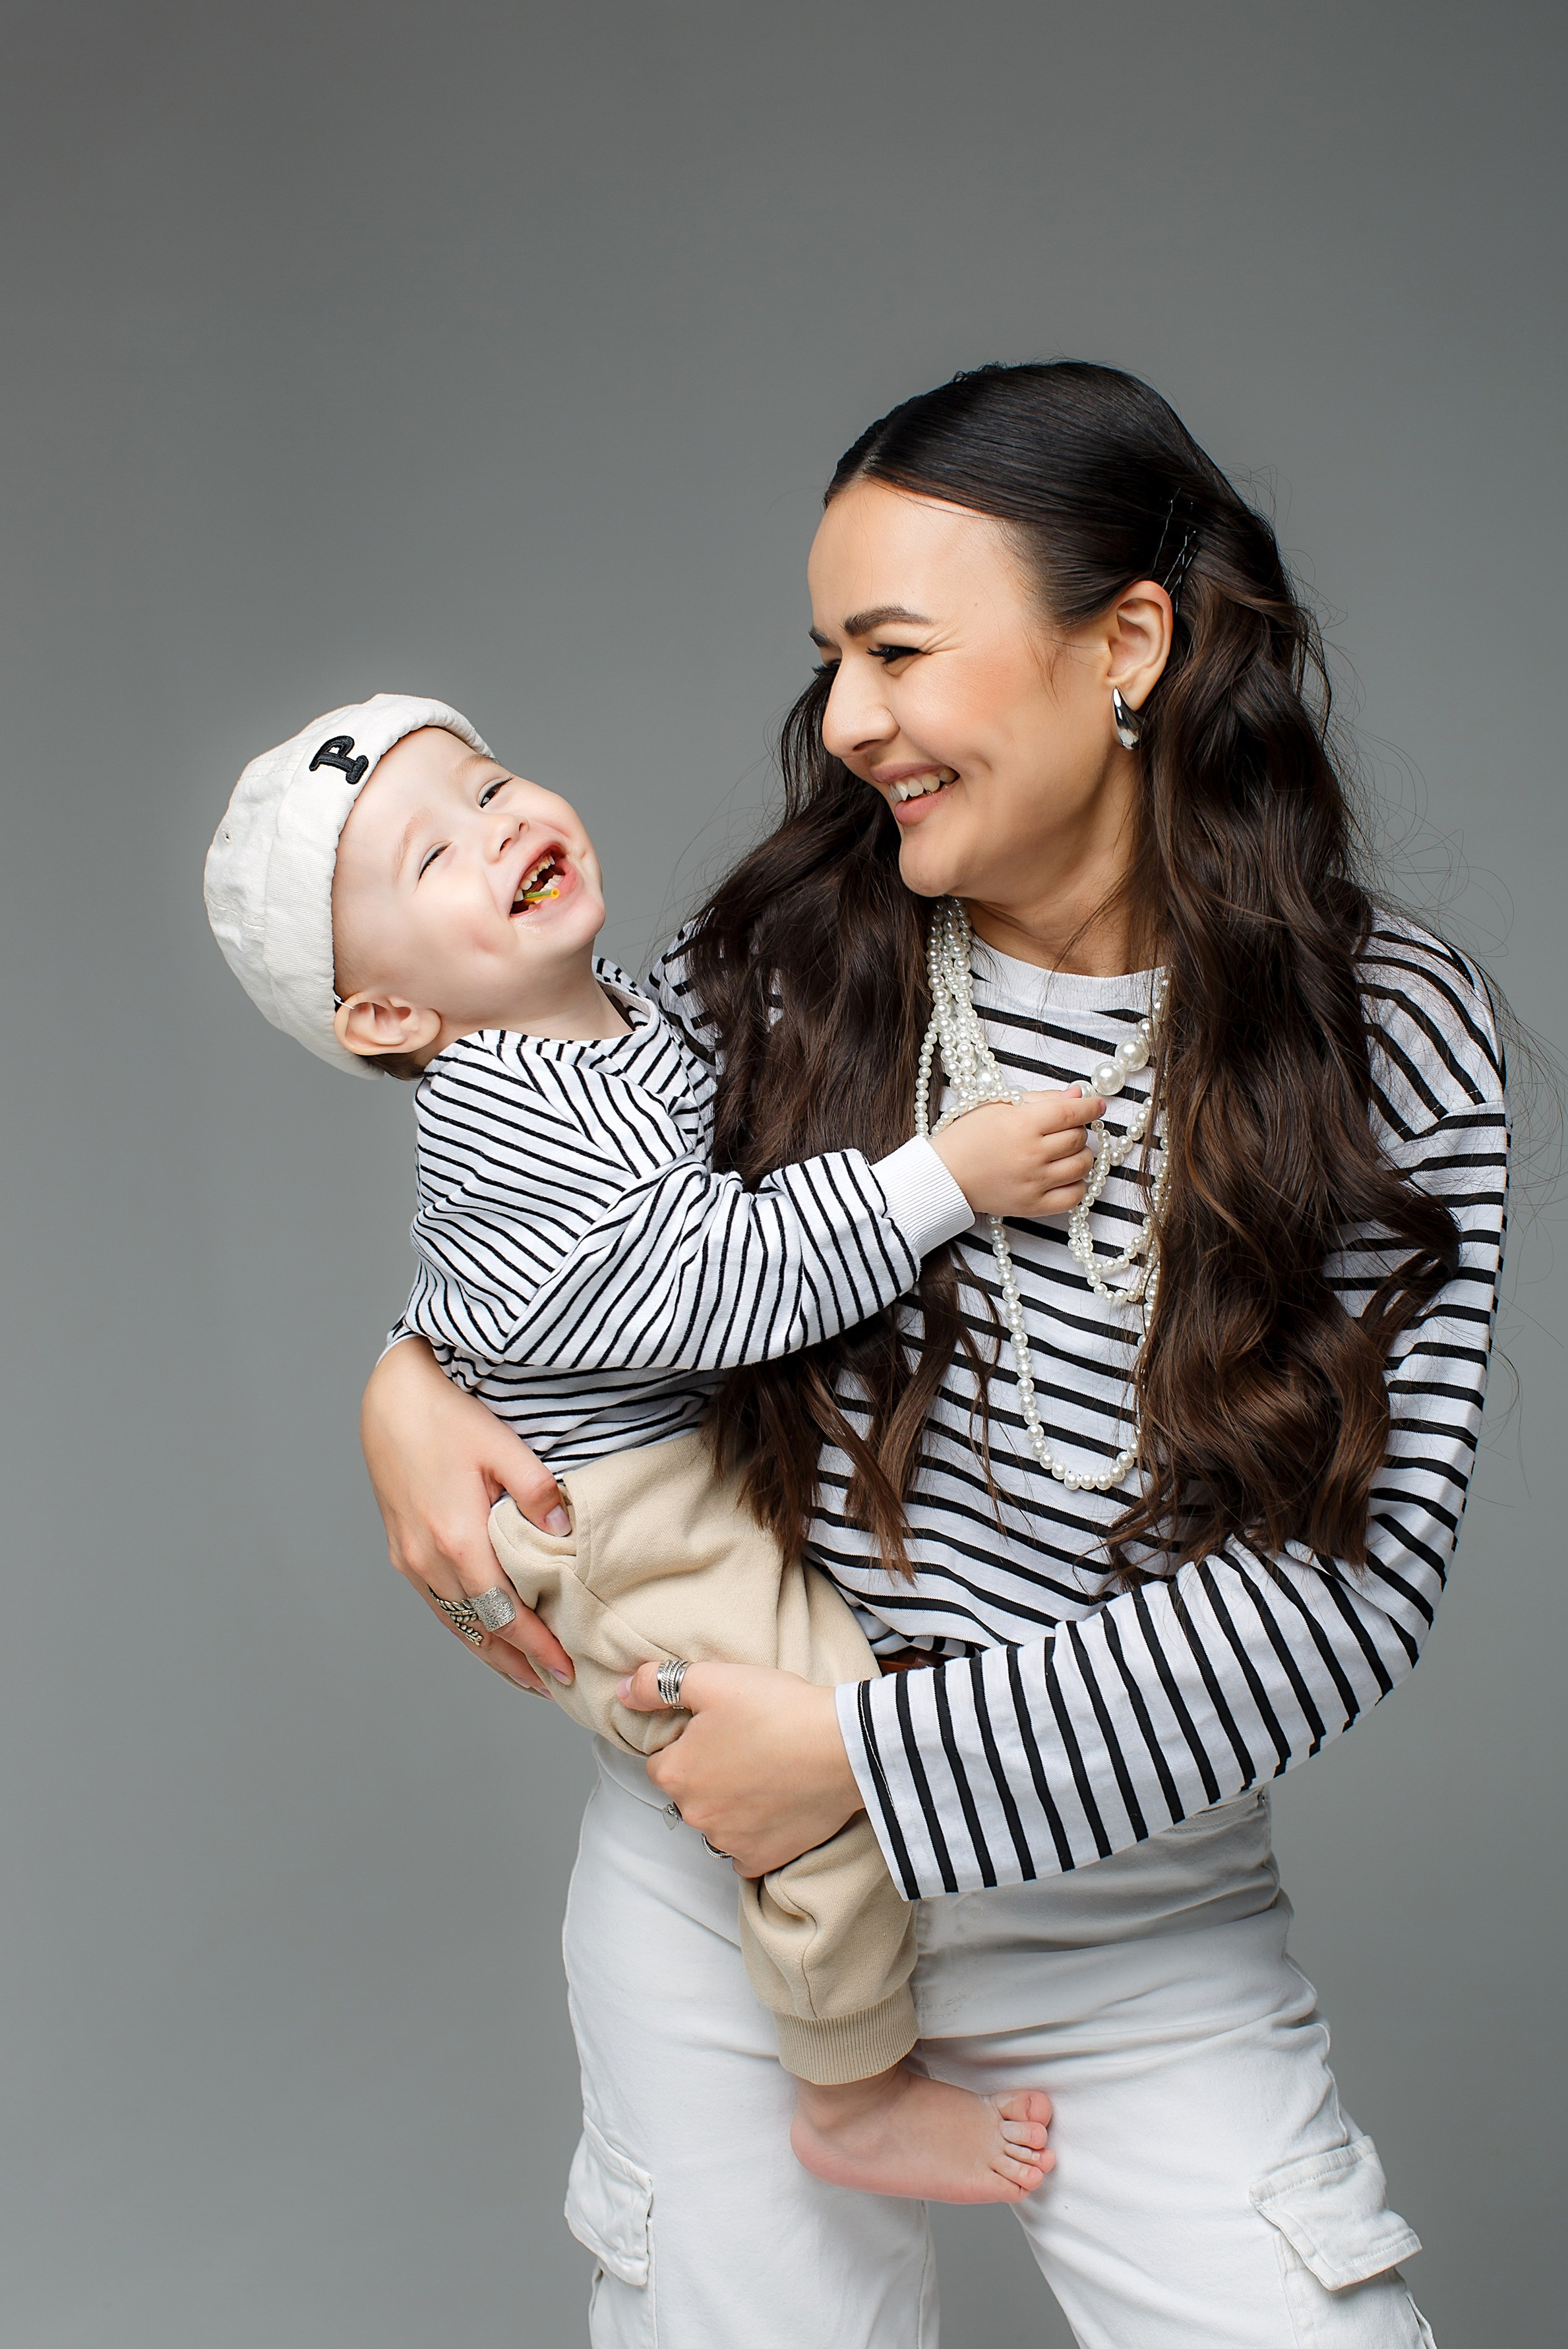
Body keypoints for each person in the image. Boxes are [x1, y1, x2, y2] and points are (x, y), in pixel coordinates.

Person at [361, 362, 1506, 2349]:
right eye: (832, 659)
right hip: (727, 1909)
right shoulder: (791, 952)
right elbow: (578, 1258)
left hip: (1122, 1931)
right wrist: (405, 1385)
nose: (850, 716)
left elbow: (1345, 1597)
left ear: (1128, 647)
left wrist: (863, 1761)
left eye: (900, 649)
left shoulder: (1388, 1036)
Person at [204, 691, 1104, 2199]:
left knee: (828, 1717)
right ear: (387, 1019)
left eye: (489, 787)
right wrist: (943, 1182)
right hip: (608, 1514)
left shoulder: (614, 1002)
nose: (498, 832)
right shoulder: (501, 1114)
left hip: (667, 1459)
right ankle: (852, 2091)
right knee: (811, 1747)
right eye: (432, 859)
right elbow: (715, 1282)